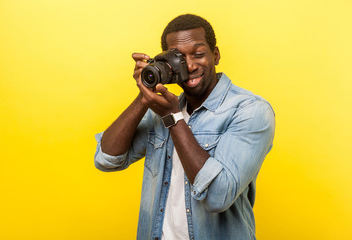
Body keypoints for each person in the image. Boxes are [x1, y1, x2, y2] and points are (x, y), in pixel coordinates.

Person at [94, 14, 275, 240]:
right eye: (179, 58)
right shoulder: (163, 109)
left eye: (199, 54)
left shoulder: (250, 110)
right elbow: (106, 159)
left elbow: (218, 196)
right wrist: (144, 94)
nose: (189, 66)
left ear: (216, 55)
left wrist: (173, 118)